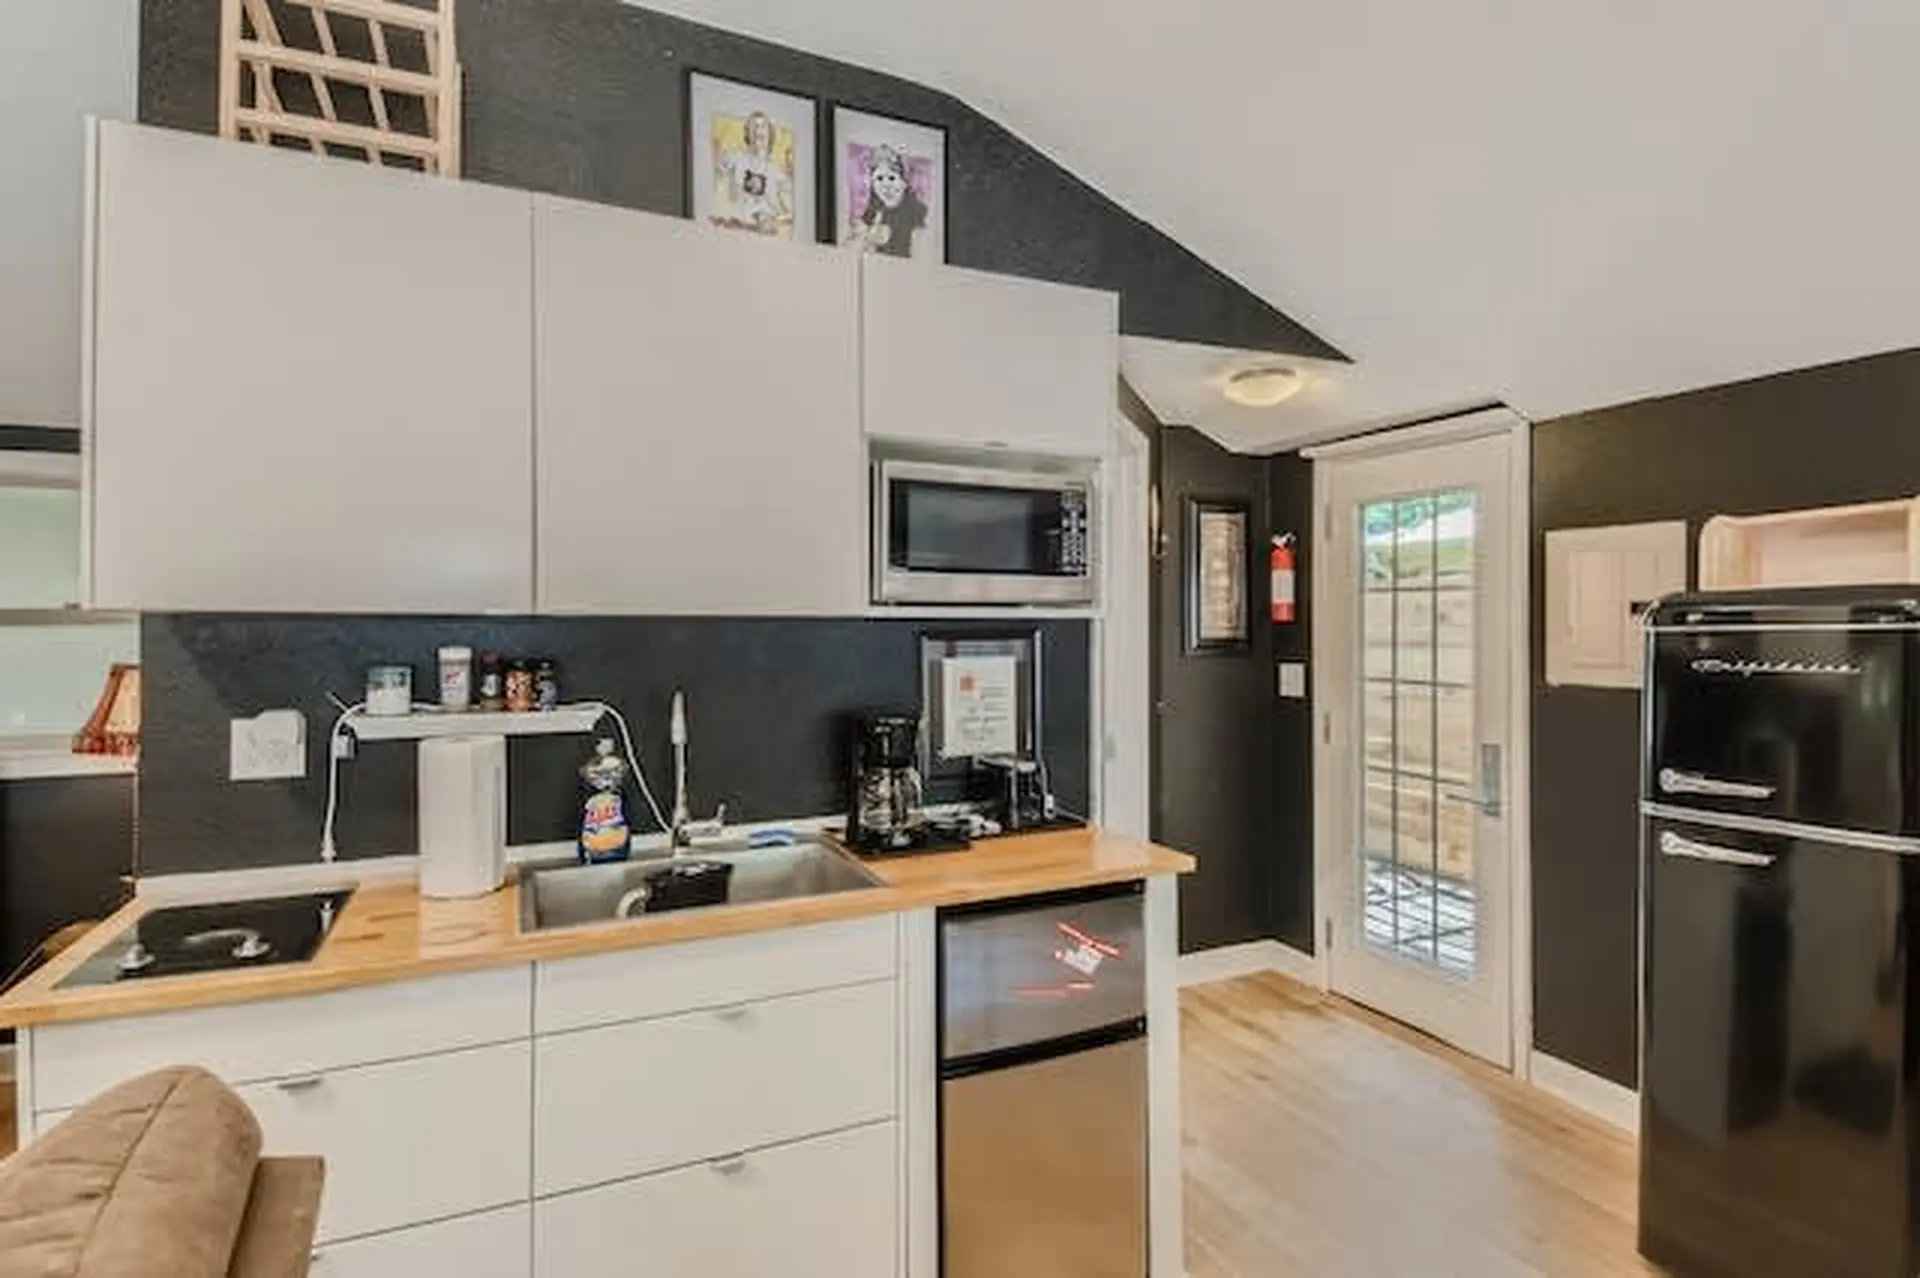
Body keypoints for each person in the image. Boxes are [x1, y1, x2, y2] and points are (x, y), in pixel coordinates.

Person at [714, 111, 793, 237]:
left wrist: (775, 221)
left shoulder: (777, 172)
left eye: (762, 127)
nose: (758, 131)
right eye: (754, 126)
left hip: (764, 236)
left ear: (770, 134)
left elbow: (793, 212)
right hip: (734, 230)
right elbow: (714, 182)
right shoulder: (734, 158)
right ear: (747, 133)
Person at [851, 145, 928, 258]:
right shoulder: (873, 211)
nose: (885, 185)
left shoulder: (918, 213)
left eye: (891, 178)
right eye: (879, 179)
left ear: (904, 182)